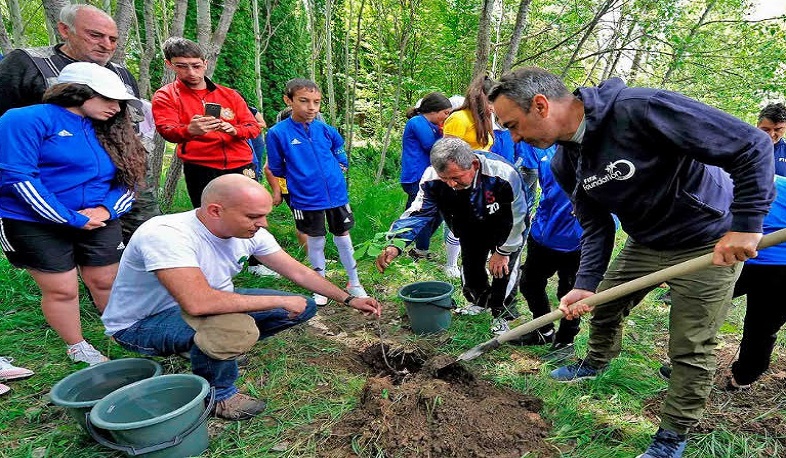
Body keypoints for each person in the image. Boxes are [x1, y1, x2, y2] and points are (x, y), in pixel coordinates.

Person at [489, 66, 774, 458]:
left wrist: (745, 224)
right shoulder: (565, 162)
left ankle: (671, 437)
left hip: (706, 241)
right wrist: (586, 283)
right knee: (602, 306)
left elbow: (751, 144)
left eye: (514, 125)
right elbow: (596, 226)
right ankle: (595, 362)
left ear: (540, 105)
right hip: (645, 242)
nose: (515, 137)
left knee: (691, 347)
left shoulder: (640, 109)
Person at [101, 174, 382, 420]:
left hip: (204, 308)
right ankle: (219, 395)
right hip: (140, 325)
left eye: (264, 215)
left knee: (303, 307)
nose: (264, 224)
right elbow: (199, 303)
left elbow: (298, 272)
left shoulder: (248, 232)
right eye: (253, 216)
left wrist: (348, 299)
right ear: (215, 210)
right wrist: (279, 300)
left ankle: (207, 348)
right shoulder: (166, 234)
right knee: (229, 326)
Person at [0, 62, 147, 365]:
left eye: (119, 101)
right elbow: (18, 177)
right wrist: (74, 218)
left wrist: (106, 210)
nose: (116, 107)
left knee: (107, 279)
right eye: (108, 99)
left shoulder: (111, 128)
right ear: (79, 92)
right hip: (34, 221)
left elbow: (130, 179)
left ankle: (122, 331)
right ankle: (78, 346)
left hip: (99, 218)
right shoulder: (24, 119)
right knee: (62, 289)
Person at [0, 3, 160, 244]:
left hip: (121, 181)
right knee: (64, 254)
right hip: (56, 187)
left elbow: (132, 129)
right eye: (95, 35)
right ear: (65, 30)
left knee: (149, 240)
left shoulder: (122, 74)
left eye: (113, 38)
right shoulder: (28, 63)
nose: (106, 44)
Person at [376, 137, 529, 335]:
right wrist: (395, 243)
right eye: (444, 178)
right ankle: (478, 303)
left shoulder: (503, 174)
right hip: (468, 226)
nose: (450, 184)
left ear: (473, 164)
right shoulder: (432, 177)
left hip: (505, 227)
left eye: (456, 178)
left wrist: (503, 251)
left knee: (503, 271)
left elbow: (520, 216)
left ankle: (502, 315)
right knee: (471, 266)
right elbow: (419, 212)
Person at [266, 78, 368, 305]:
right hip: (305, 197)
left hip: (337, 194)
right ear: (288, 100)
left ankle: (355, 282)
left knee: (343, 236)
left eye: (316, 102)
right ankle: (319, 286)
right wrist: (299, 178)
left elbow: (339, 150)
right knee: (315, 239)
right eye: (304, 101)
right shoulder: (277, 133)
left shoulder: (326, 130)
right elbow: (275, 166)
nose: (311, 107)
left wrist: (340, 166)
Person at [151, 37, 260, 208]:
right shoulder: (166, 95)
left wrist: (234, 130)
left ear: (205, 63)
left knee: (250, 213)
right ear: (169, 64)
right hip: (201, 167)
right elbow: (167, 130)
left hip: (241, 164)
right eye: (182, 66)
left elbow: (253, 128)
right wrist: (189, 130)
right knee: (211, 218)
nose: (192, 72)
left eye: (196, 66)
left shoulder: (229, 94)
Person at [516, 143, 582, 359]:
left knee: (571, 292)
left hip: (578, 239)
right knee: (529, 283)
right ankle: (543, 329)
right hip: (543, 232)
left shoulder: (597, 153)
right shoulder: (544, 148)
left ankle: (565, 341)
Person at [400, 92, 453, 262]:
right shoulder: (417, 122)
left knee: (435, 212)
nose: (447, 117)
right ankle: (419, 250)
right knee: (422, 214)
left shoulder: (431, 124)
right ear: (434, 110)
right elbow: (432, 145)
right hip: (416, 176)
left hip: (428, 176)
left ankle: (409, 243)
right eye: (446, 113)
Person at [758, 103, 786, 176]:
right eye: (766, 129)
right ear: (757, 126)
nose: (771, 135)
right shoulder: (743, 147)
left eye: (778, 129)